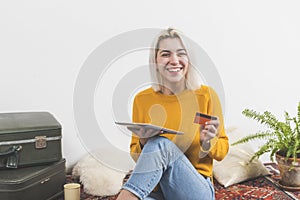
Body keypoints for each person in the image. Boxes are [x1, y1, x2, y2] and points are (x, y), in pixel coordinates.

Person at [116, 28, 229, 200]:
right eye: (165, 54)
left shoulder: (206, 96)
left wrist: (208, 141)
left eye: (181, 54)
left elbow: (221, 153)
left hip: (195, 189)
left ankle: (126, 196)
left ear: (189, 59)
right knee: (156, 144)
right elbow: (135, 154)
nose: (174, 60)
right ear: (155, 61)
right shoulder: (142, 100)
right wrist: (144, 141)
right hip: (157, 190)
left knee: (161, 144)